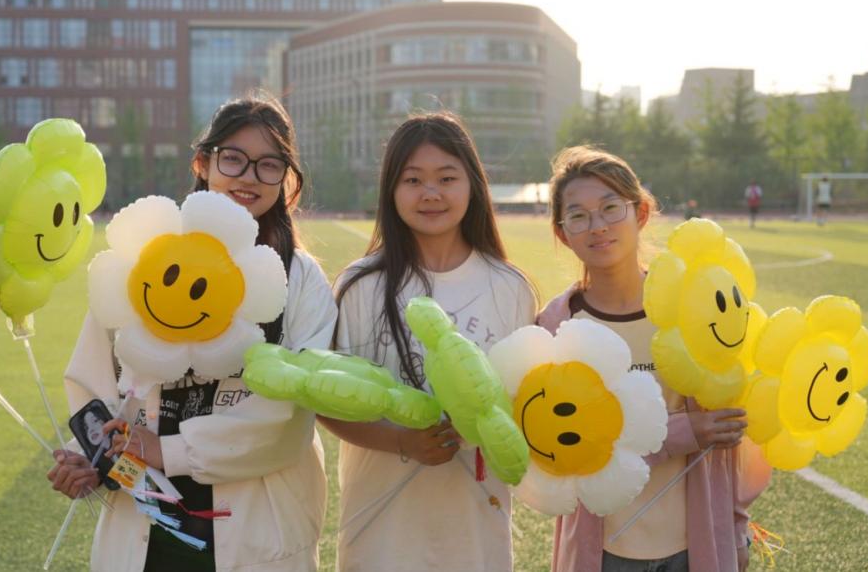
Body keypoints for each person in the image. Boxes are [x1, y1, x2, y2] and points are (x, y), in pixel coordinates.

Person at [46, 96, 337, 572]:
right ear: (203, 162)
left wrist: (169, 450)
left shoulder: (299, 278)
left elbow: (291, 416)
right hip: (144, 526)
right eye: (233, 159)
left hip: (257, 526)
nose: (248, 177)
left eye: (269, 165)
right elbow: (94, 379)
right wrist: (90, 457)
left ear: (286, 178)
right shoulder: (144, 259)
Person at [321, 112, 538, 572]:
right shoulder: (361, 285)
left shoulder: (511, 288)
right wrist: (403, 440)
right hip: (380, 533)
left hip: (476, 529)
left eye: (447, 178)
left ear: (473, 184)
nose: (431, 193)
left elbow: (525, 404)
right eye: (413, 179)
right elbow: (327, 401)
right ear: (391, 190)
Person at [537, 146, 770, 572]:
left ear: (640, 213)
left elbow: (731, 434)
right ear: (562, 232)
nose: (598, 226)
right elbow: (565, 445)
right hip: (602, 553)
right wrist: (685, 431)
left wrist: (737, 526)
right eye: (578, 215)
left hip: (695, 548)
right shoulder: (556, 326)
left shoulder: (692, 311)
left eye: (611, 208)